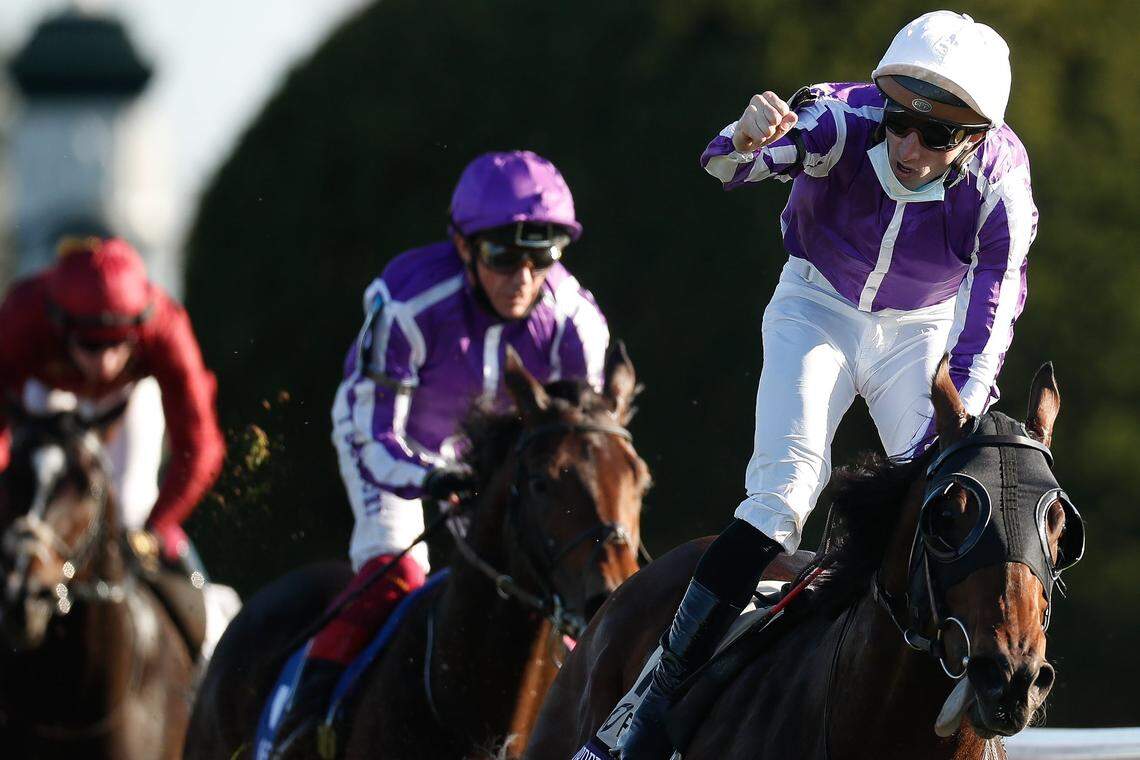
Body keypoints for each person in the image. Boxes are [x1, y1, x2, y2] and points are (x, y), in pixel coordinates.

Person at [614, 11, 1038, 758]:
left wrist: (961, 422)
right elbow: (725, 165)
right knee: (781, 499)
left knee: (959, 491)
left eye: (934, 135)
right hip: (817, 306)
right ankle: (655, 699)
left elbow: (993, 313)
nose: (906, 146)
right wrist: (746, 135)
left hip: (922, 333)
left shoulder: (1004, 183)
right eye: (899, 120)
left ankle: (973, 685)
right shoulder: (842, 119)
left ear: (976, 138)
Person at [273, 150, 610, 746]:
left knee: (559, 578)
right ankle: (301, 724)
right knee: (394, 569)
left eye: (542, 255)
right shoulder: (408, 304)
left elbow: (577, 451)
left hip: (492, 462)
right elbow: (377, 433)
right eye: (504, 256)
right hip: (388, 441)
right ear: (463, 247)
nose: (524, 277)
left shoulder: (576, 322)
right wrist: (433, 480)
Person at [0, 236, 237, 660]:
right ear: (60, 325)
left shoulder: (166, 325)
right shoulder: (22, 315)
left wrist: (160, 524)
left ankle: (210, 646)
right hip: (45, 398)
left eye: (119, 342)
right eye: (92, 345)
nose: (106, 360)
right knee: (30, 512)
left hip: (127, 401)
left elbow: (200, 445)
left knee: (129, 507)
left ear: (140, 327)